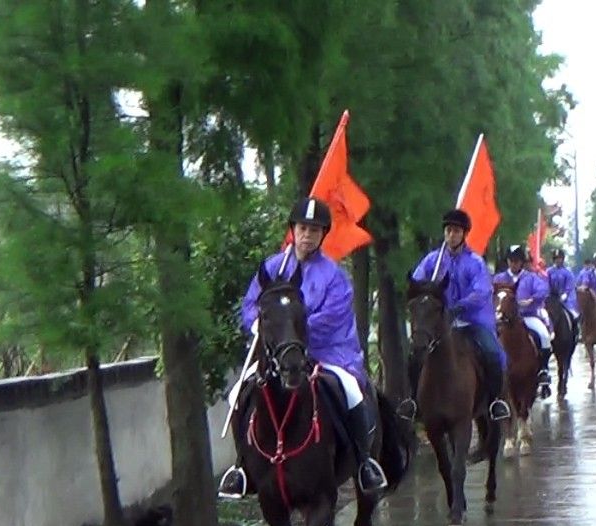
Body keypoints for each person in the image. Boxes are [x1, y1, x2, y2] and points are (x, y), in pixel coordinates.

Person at [225, 197, 388, 497]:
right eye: (303, 228)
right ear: (293, 230)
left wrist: (292, 331)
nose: (307, 235)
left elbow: (333, 316)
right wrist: (258, 324)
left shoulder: (335, 275)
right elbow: (250, 304)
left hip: (330, 352)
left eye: (314, 230)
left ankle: (364, 462)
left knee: (352, 391)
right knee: (239, 392)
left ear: (323, 234)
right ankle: (241, 467)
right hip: (278, 353)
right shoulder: (273, 267)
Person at [398, 209, 512, 422]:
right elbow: (416, 282)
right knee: (416, 354)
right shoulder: (433, 260)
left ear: (464, 234)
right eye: (449, 230)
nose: (452, 235)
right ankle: (413, 401)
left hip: (472, 320)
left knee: (492, 352)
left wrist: (460, 306)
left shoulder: (475, 263)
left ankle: (496, 401)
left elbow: (482, 291)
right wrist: (423, 289)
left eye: (456, 231)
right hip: (440, 321)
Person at [493, 245, 553, 394]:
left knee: (544, 335)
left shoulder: (531, 277)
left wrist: (532, 300)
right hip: (504, 318)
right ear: (507, 261)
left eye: (517, 261)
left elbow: (543, 290)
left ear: (522, 262)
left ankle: (543, 370)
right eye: (511, 261)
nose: (514, 264)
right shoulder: (499, 279)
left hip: (528, 315)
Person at [546, 248, 580, 340]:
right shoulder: (548, 272)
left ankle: (576, 334)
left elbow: (569, 286)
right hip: (551, 298)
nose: (558, 260)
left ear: (563, 259)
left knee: (574, 316)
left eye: (560, 258)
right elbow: (546, 284)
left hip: (565, 300)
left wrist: (564, 295)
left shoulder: (567, 272)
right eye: (556, 258)